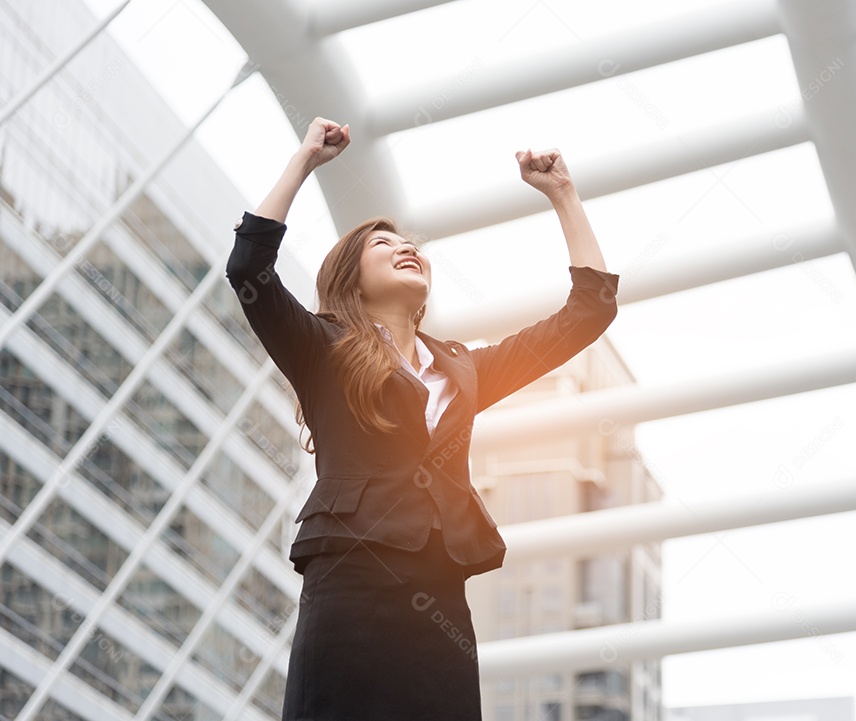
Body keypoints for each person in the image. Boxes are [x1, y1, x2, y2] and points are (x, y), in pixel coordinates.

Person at [226, 117, 619, 720]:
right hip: (349, 589)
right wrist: (304, 161)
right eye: (382, 246)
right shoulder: (322, 349)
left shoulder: (465, 371)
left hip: (439, 598)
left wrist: (563, 194)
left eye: (411, 246)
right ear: (349, 280)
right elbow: (250, 271)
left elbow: (588, 312)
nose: (406, 248)